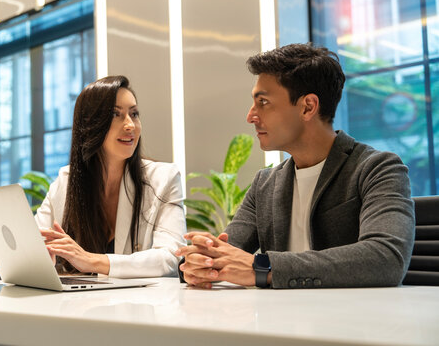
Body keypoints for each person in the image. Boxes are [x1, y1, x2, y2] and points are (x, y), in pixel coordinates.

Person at [176, 43, 415, 289]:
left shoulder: (377, 168)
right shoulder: (265, 183)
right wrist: (197, 262)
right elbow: (224, 253)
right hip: (279, 322)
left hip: (352, 322)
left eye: (264, 102)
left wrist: (264, 268)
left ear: (308, 107)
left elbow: (386, 258)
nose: (251, 116)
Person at [35, 75, 186, 278]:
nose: (130, 125)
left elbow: (170, 257)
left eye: (134, 114)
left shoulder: (164, 178)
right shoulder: (66, 181)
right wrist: (43, 257)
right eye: (116, 114)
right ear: (90, 125)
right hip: (77, 306)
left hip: (144, 306)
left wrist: (91, 261)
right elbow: (34, 244)